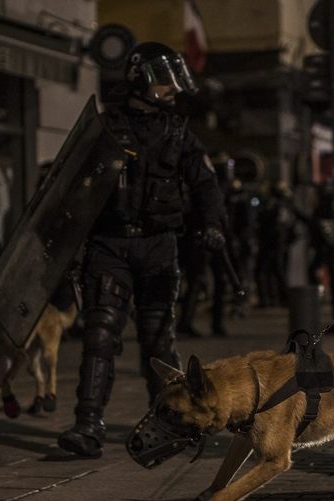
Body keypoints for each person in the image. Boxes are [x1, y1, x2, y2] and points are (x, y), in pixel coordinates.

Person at [57, 42, 225, 458]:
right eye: (164, 80)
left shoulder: (178, 132)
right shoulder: (105, 127)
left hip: (157, 245)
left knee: (159, 343)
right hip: (110, 244)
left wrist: (213, 224)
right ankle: (88, 424)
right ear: (142, 78)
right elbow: (72, 186)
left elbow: (204, 183)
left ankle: (171, 423)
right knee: (99, 335)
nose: (171, 89)